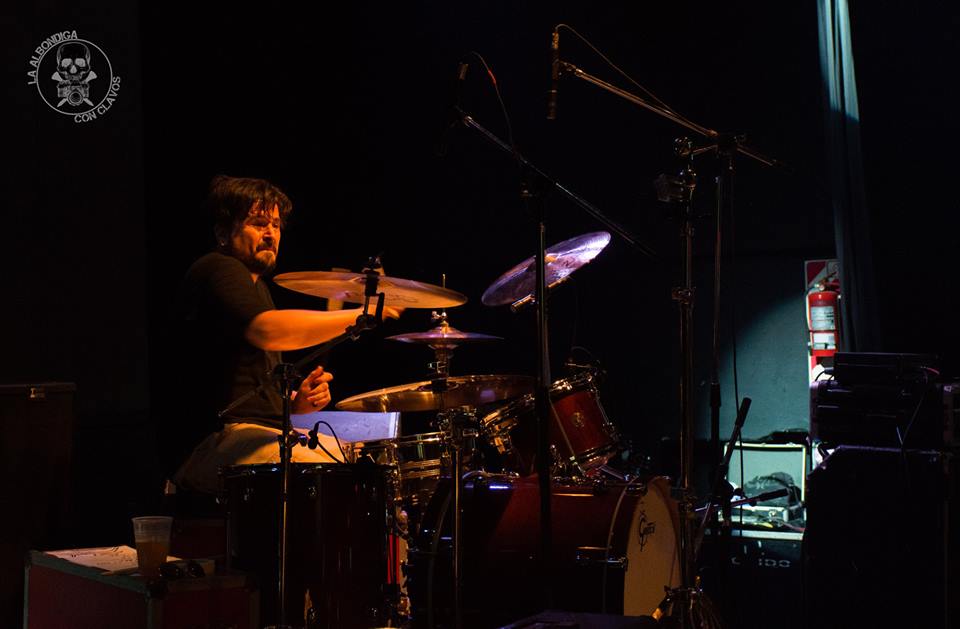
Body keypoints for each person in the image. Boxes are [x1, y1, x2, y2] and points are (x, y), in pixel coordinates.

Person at [170, 175, 399, 493]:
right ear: (223, 232)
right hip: (215, 442)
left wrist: (296, 402)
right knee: (332, 474)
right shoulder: (219, 268)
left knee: (358, 456)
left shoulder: (257, 287)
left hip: (249, 431)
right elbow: (267, 330)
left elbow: (244, 387)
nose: (270, 234)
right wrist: (360, 316)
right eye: (258, 223)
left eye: (276, 226)